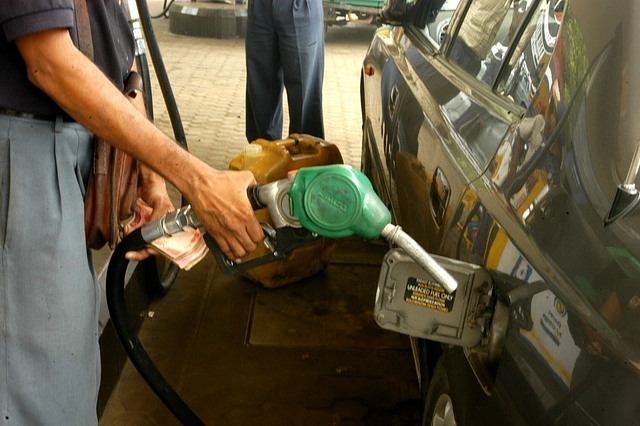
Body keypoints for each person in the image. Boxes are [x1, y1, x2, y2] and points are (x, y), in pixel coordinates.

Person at [0, 1, 264, 424]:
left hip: (75, 141)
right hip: (25, 145)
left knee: (69, 367)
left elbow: (128, 62)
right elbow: (49, 61)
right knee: (38, 387)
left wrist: (151, 181)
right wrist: (198, 181)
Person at [245, 0, 325, 142]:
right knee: (260, 90)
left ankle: (306, 158)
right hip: (260, 7)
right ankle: (265, 155)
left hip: (300, 6)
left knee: (304, 97)